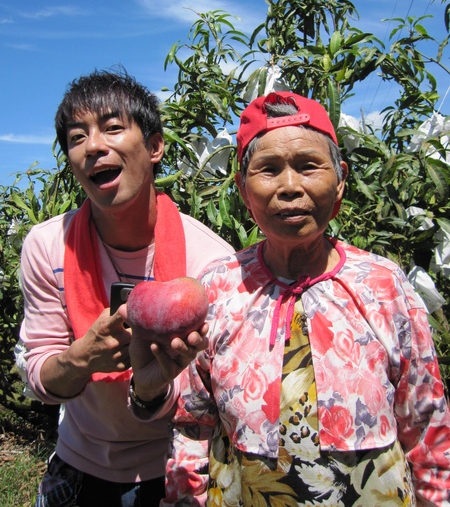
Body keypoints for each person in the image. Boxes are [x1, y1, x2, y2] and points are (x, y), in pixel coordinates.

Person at [157, 91, 450, 505]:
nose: (290, 187)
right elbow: (192, 423)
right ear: (243, 188)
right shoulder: (217, 286)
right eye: (268, 170)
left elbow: (427, 423)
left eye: (309, 166)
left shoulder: (383, 284)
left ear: (341, 179)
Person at [15, 68, 234, 507]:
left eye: (113, 128)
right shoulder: (47, 246)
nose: (93, 146)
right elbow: (39, 374)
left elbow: (210, 400)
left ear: (154, 147)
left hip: (174, 465)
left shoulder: (209, 262)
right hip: (78, 459)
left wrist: (150, 388)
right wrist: (80, 360)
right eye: (77, 138)